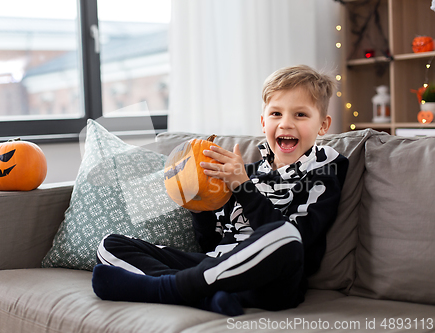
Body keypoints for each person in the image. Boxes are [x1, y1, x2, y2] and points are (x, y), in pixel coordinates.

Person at [92, 64, 349, 316]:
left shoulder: (325, 171)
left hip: (272, 280)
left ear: (323, 125)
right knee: (109, 244)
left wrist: (243, 187)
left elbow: (300, 239)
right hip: (217, 267)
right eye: (276, 114)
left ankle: (165, 288)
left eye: (300, 115)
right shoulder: (243, 170)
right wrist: (197, 203)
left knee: (285, 235)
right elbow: (212, 244)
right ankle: (205, 297)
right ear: (263, 121)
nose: (285, 124)